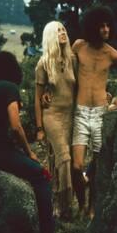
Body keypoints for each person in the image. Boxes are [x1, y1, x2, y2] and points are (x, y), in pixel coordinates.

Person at [0, 51, 71, 233]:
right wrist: (29, 152)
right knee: (42, 176)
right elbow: (16, 125)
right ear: (13, 70)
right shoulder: (9, 88)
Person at [71, 4, 117, 215]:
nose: (106, 29)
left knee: (98, 166)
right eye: (101, 26)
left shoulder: (113, 54)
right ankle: (80, 203)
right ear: (92, 26)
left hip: (100, 113)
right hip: (79, 112)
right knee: (77, 166)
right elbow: (65, 72)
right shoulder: (78, 46)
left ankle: (92, 207)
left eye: (108, 25)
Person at [34, 21, 76, 220]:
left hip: (71, 116)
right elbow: (37, 97)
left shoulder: (72, 60)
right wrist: (39, 127)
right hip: (51, 115)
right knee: (64, 158)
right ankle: (64, 207)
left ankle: (60, 204)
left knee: (61, 162)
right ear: (50, 35)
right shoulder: (43, 63)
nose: (62, 32)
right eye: (58, 30)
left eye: (63, 29)